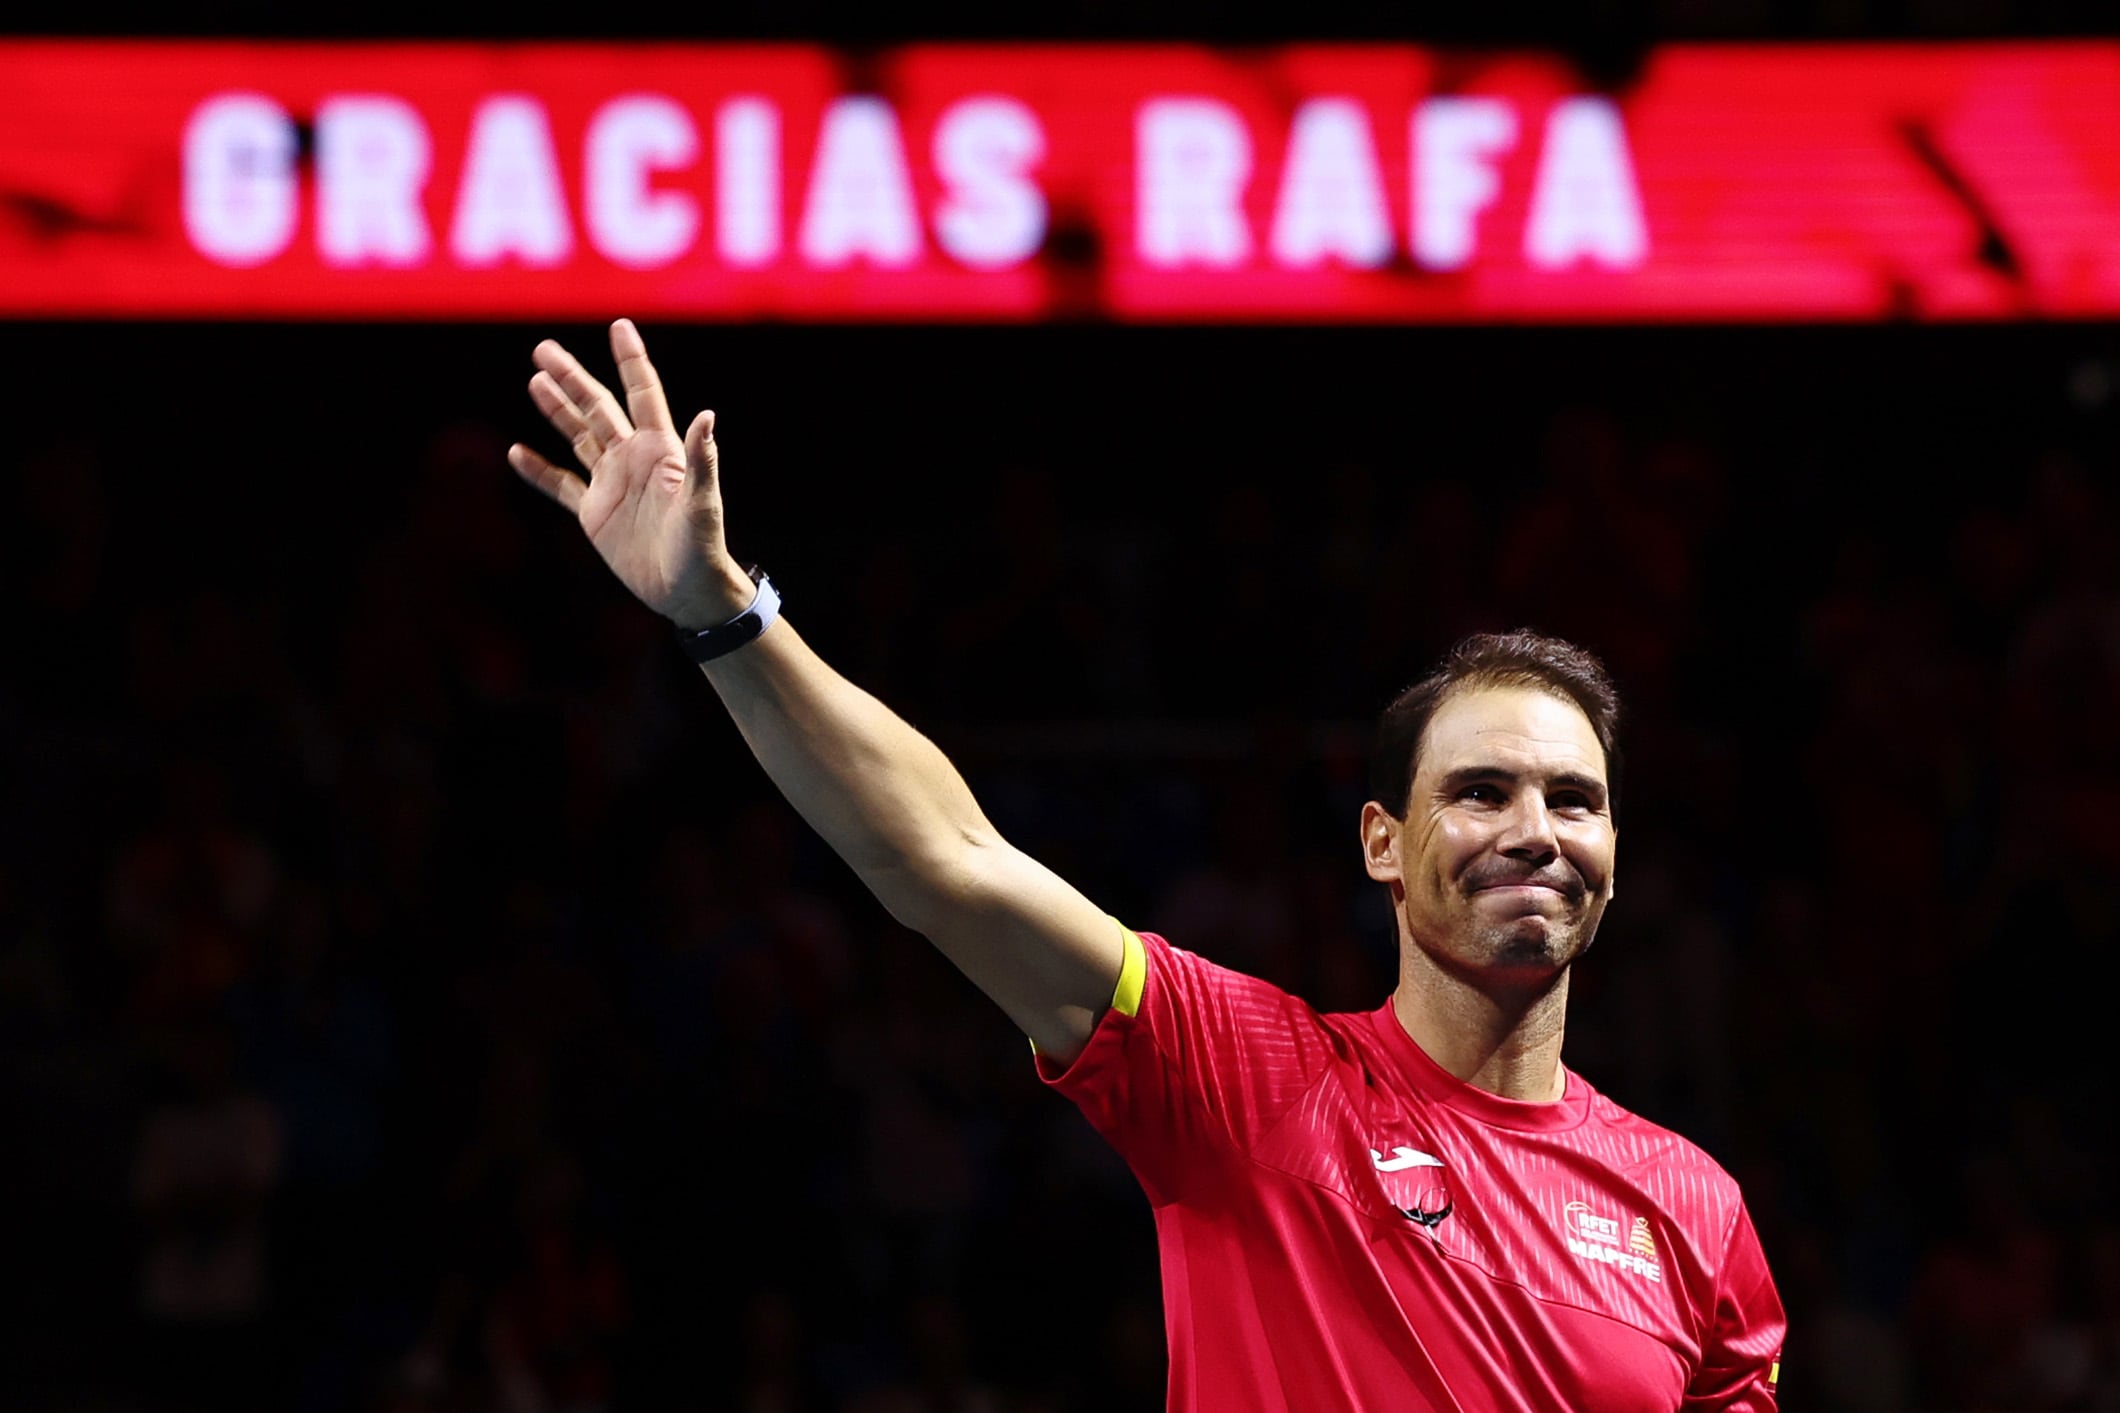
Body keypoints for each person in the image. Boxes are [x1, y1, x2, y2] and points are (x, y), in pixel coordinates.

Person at [506, 320, 1786, 1411]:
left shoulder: (1694, 1210)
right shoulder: (1250, 1082)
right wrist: (723, 616)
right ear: (1380, 845)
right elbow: (948, 860)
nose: (1532, 829)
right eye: (1479, 791)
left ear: (1614, 852)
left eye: (1574, 799)